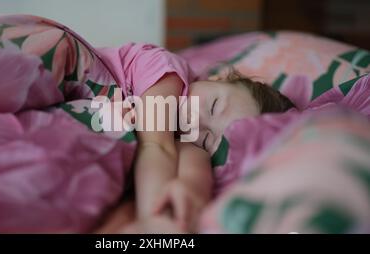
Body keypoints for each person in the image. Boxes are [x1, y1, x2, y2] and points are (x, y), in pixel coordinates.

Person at [95, 43, 295, 233]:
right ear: (219, 78)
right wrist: (152, 220)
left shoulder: (186, 140)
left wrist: (191, 189)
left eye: (207, 139)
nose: (197, 123)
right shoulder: (167, 72)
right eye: (214, 106)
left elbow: (190, 161)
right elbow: (156, 145)